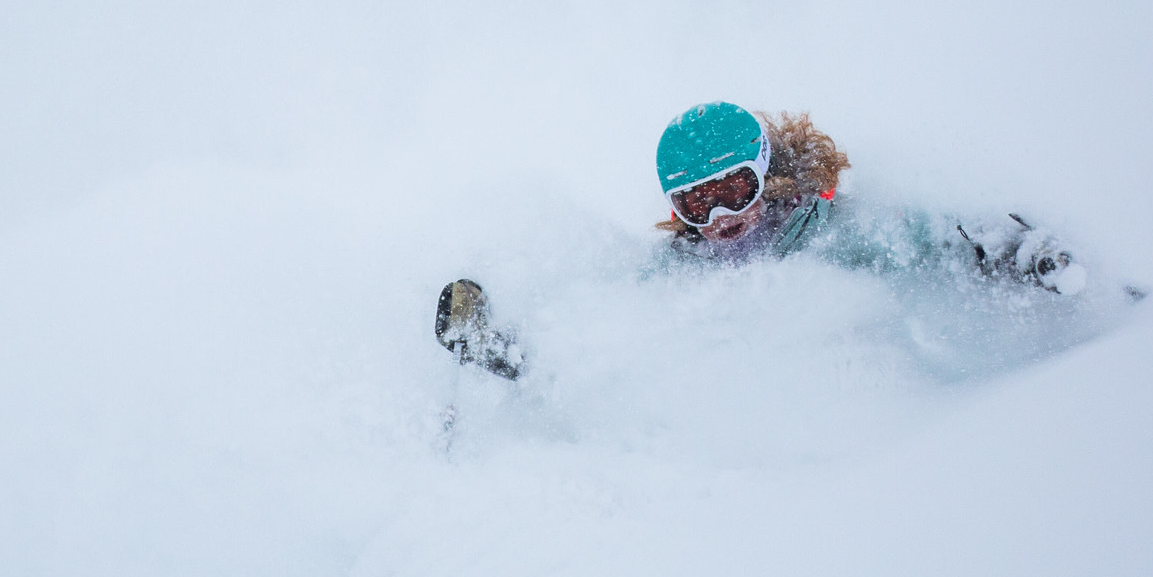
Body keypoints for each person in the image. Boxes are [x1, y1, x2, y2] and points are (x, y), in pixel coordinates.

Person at [436, 100, 1088, 377]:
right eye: (696, 203)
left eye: (732, 191)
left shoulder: (836, 231)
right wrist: (513, 352)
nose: (719, 217)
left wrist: (1014, 253)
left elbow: (932, 238)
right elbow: (611, 331)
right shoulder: (679, 271)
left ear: (766, 175)